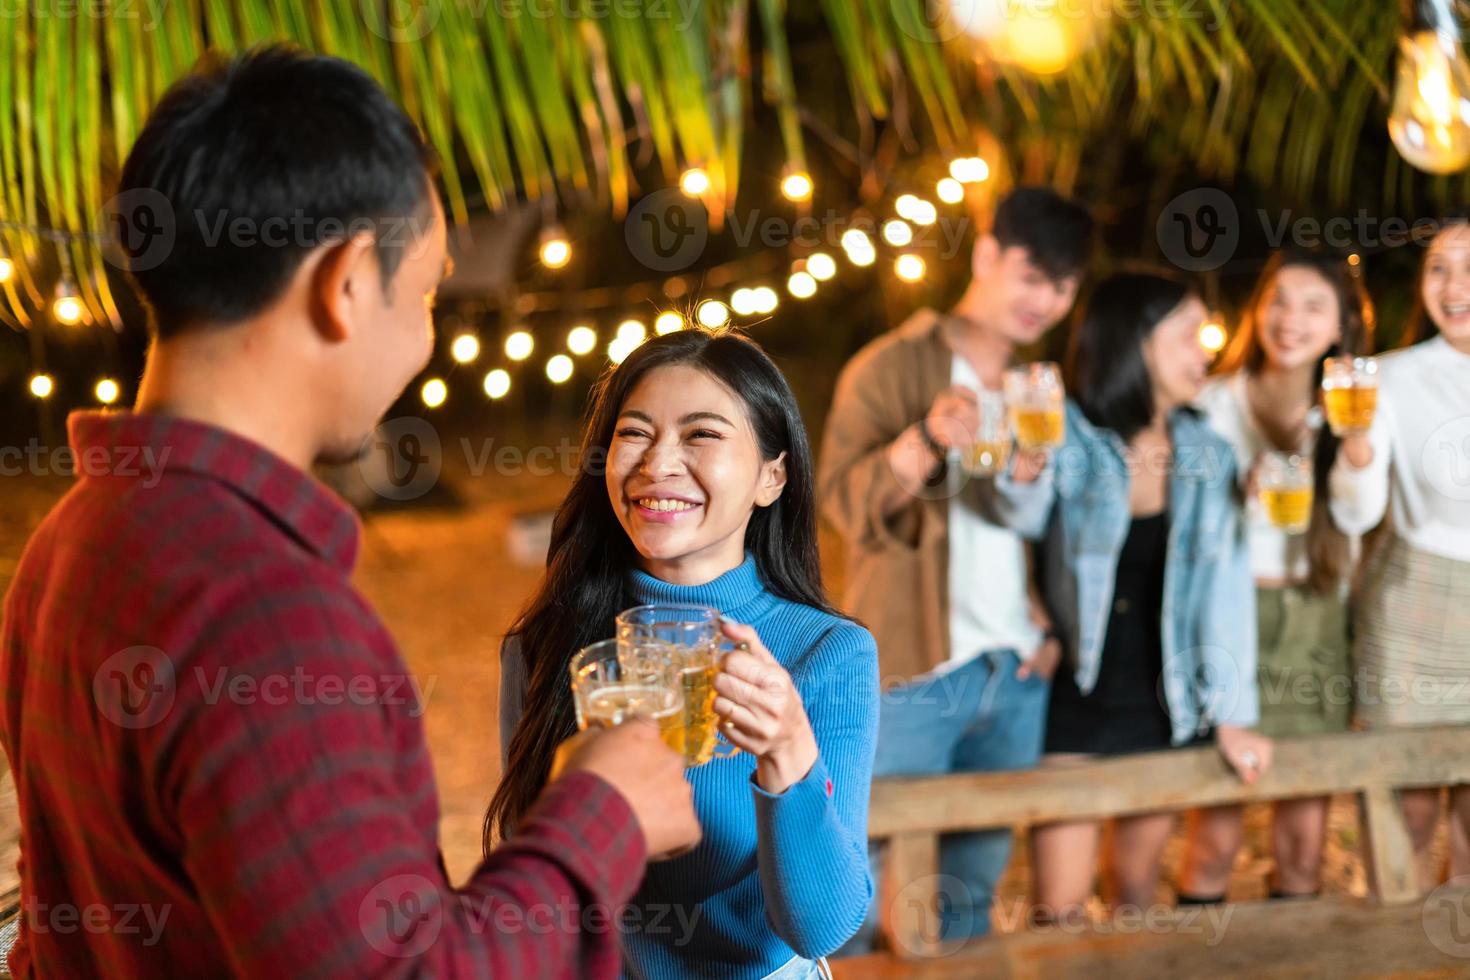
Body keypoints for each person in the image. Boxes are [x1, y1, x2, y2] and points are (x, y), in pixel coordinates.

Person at [0, 47, 699, 977]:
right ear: (344, 285)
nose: (425, 334)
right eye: (425, 292)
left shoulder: (71, 541)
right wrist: (599, 813)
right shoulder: (264, 616)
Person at [489, 329, 878, 980]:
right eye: (635, 433)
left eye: (701, 434)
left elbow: (821, 927)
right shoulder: (546, 647)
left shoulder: (826, 655)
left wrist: (787, 751)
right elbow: (541, 895)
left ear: (771, 476)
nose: (657, 463)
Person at [817, 186, 1092, 949]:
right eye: (1034, 275)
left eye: (1064, 285)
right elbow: (842, 504)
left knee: (974, 893)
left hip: (1014, 670)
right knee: (858, 893)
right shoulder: (890, 366)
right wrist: (926, 439)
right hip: (913, 665)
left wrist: (1048, 621)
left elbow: (1042, 531)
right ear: (986, 254)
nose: (1048, 299)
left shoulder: (1036, 387)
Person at [992, 273, 1272, 918]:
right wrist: (1025, 465)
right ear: (1137, 342)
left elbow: (1225, 592)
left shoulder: (1209, 452)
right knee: (1057, 909)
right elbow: (1015, 517)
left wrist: (1231, 712)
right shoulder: (1068, 432)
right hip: (1076, 694)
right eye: (1188, 335)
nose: (1206, 350)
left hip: (1163, 701)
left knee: (1136, 896)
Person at [1186, 250, 1372, 903]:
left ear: (1342, 324)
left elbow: (1362, 512)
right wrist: (1232, 496)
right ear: (1257, 308)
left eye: (1313, 306)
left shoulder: (1351, 408)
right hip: (1229, 625)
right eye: (1279, 300)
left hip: (1314, 622)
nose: (1291, 320)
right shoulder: (1210, 402)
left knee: (1301, 847)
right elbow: (1179, 526)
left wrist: (1354, 445)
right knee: (1214, 840)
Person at [1329, 215, 1470, 889]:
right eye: (1439, 267)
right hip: (1413, 604)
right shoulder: (1387, 377)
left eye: (1469, 267)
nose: (1453, 286)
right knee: (1404, 817)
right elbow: (1356, 511)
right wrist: (1355, 452)